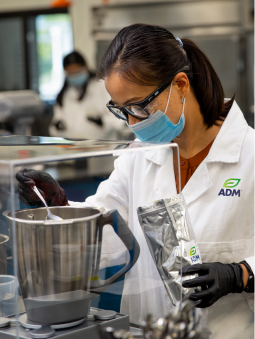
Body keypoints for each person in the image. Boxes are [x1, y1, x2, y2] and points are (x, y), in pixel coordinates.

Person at [16, 24, 255, 338]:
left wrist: (240, 273)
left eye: (140, 106)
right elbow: (105, 223)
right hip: (144, 329)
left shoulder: (249, 155)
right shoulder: (138, 157)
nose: (131, 122)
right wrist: (59, 204)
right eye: (122, 110)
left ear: (181, 85)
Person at [49, 51, 126, 139]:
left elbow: (118, 118)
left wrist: (102, 122)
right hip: (73, 147)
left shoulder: (102, 86)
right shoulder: (64, 93)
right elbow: (55, 125)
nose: (74, 76)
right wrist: (58, 126)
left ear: (86, 66)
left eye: (77, 72)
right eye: (71, 73)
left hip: (101, 146)